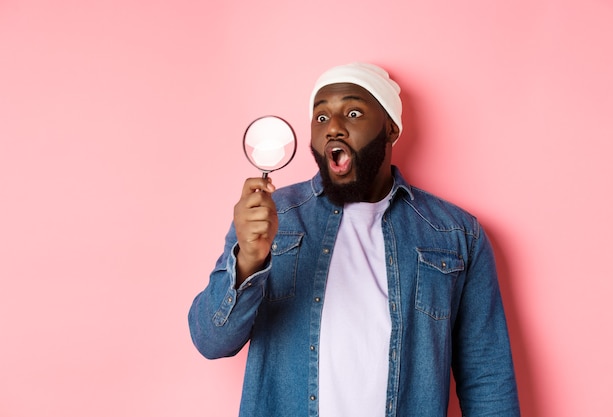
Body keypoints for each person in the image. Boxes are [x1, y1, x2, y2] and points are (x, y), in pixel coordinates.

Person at [188, 62, 520, 417]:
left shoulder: (456, 233)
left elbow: (487, 377)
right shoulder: (271, 217)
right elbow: (211, 340)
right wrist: (249, 259)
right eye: (321, 118)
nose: (333, 127)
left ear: (390, 129)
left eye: (354, 112)